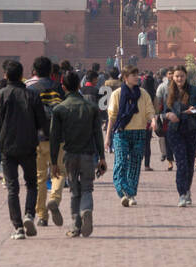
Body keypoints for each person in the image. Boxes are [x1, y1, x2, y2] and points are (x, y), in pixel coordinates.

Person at [0, 59, 48, 239]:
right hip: (29, 144)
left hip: (7, 146)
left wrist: (1, 128)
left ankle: (18, 227)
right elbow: (42, 122)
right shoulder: (32, 95)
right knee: (31, 183)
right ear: (22, 75)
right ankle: (29, 214)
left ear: (5, 75)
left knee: (13, 188)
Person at [49, 70, 107, 237]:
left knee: (74, 190)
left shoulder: (60, 109)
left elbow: (54, 138)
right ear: (79, 85)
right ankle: (86, 210)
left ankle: (75, 224)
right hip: (88, 154)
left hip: (70, 154)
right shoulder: (91, 107)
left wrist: (54, 162)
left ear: (63, 87)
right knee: (87, 188)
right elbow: (97, 134)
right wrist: (102, 157)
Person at [106, 66, 155, 206]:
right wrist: (107, 137)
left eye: (137, 74)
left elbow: (149, 110)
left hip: (139, 132)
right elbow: (112, 117)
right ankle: (123, 191)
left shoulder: (143, 93)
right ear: (125, 77)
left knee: (135, 164)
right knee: (121, 163)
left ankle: (131, 194)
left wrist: (153, 120)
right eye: (133, 75)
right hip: (121, 132)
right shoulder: (117, 94)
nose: (136, 77)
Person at [26, 56, 66, 227]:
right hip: (57, 138)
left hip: (37, 138)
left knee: (39, 177)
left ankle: (42, 215)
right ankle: (55, 199)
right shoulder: (58, 87)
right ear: (51, 71)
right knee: (59, 172)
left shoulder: (30, 89)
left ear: (34, 71)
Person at [156, 66, 196, 206]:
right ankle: (182, 194)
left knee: (189, 164)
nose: (179, 79)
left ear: (186, 76)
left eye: (181, 76)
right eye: (177, 76)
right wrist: (167, 115)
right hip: (175, 131)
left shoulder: (194, 90)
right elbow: (164, 111)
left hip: (191, 130)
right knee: (181, 163)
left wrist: (192, 110)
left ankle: (187, 189)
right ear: (173, 77)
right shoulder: (169, 90)